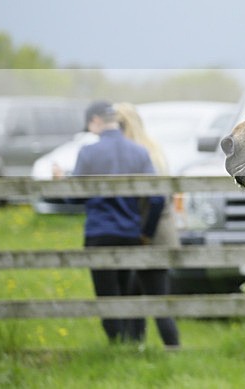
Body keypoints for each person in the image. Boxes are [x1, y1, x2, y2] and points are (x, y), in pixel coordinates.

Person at [55, 100, 165, 342]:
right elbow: (157, 198)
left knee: (107, 295)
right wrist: (146, 231)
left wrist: (61, 183)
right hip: (130, 233)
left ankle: (116, 344)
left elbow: (74, 199)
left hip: (99, 233)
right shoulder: (139, 152)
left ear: (95, 121)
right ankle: (132, 344)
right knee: (127, 293)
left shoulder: (88, 153)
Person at [114, 102, 181, 349]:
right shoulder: (152, 148)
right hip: (158, 232)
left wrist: (144, 233)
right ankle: (137, 345)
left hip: (153, 235)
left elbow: (155, 200)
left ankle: (171, 348)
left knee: (156, 298)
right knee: (137, 292)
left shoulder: (139, 152)